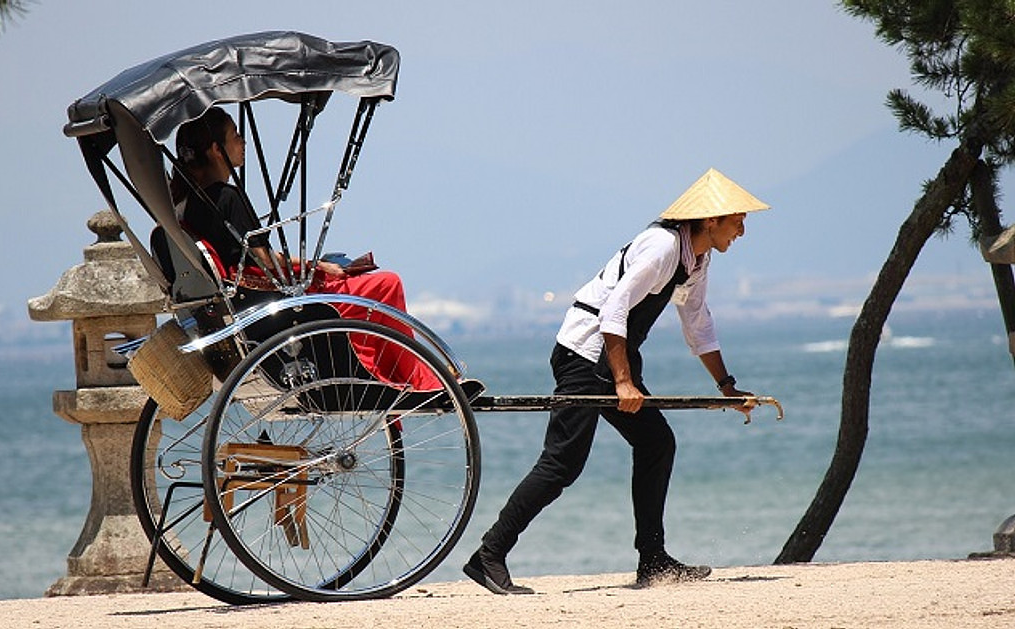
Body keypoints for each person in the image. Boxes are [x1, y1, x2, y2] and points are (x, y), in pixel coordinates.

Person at [463, 168, 770, 594]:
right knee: (561, 464)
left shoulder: (696, 257)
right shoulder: (663, 247)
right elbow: (614, 311)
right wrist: (623, 383)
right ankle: (488, 555)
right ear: (711, 219)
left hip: (615, 359)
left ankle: (652, 558)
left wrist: (727, 387)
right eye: (738, 219)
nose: (743, 230)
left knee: (656, 442)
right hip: (585, 355)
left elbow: (697, 322)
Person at [170, 107, 440, 391]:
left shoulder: (186, 205)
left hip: (242, 305)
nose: (243, 143)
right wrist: (318, 266)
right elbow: (265, 261)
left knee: (362, 278)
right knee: (387, 283)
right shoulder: (226, 197)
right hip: (270, 304)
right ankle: (415, 381)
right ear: (216, 149)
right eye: (236, 136)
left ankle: (401, 376)